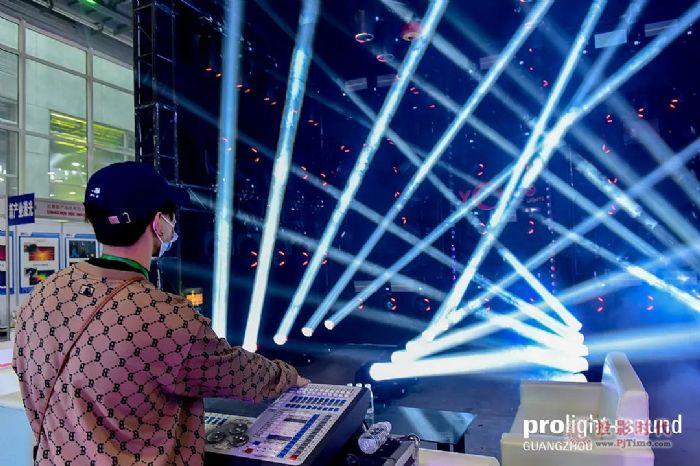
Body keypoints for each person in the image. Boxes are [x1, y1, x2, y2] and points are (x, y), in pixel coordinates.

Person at [13, 161, 309, 465]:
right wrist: (288, 377)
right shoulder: (165, 318)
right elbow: (238, 374)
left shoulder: (40, 297)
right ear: (158, 223)